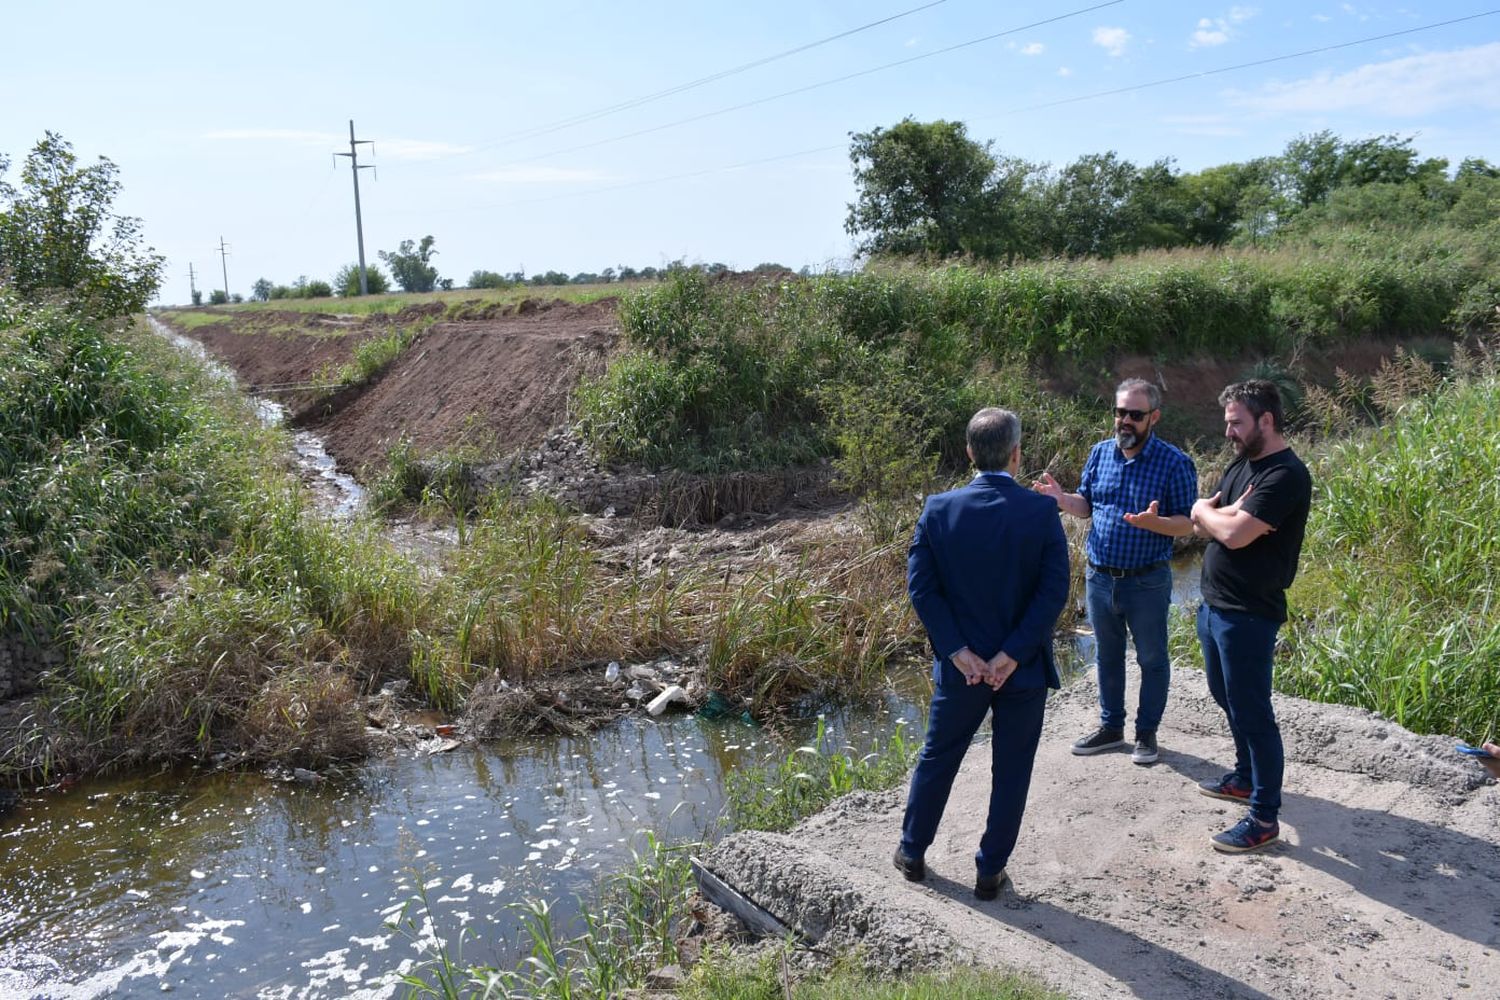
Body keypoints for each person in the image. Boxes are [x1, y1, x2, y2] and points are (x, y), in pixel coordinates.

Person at [895, 407, 1070, 900]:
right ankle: (990, 871)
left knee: (938, 757)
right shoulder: (1040, 511)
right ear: (1017, 454)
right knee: (1011, 769)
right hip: (1022, 670)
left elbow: (922, 590)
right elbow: (1053, 590)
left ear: (969, 452)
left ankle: (911, 852)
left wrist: (957, 652)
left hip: (962, 672)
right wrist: (1012, 653)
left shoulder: (938, 509)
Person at [1034, 378, 1197, 765]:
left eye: (1134, 415)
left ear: (1153, 418)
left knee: (1152, 659)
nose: (1124, 421)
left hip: (1147, 580)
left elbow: (1188, 523)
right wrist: (1061, 499)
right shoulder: (1100, 453)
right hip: (1100, 576)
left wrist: (1154, 524)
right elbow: (1087, 505)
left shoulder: (1175, 463)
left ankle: (1146, 734)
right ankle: (1111, 728)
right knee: (1107, 656)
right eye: (1120, 412)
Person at [1190, 379, 1312, 854]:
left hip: (1249, 613)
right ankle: (1244, 777)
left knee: (1254, 713)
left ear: (1266, 420)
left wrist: (1205, 513)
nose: (1229, 433)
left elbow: (1235, 534)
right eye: (1227, 423)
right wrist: (1205, 517)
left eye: (1236, 423)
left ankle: (1264, 817)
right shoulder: (1243, 464)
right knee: (1225, 697)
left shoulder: (1286, 475)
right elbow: (1214, 521)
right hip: (1215, 606)